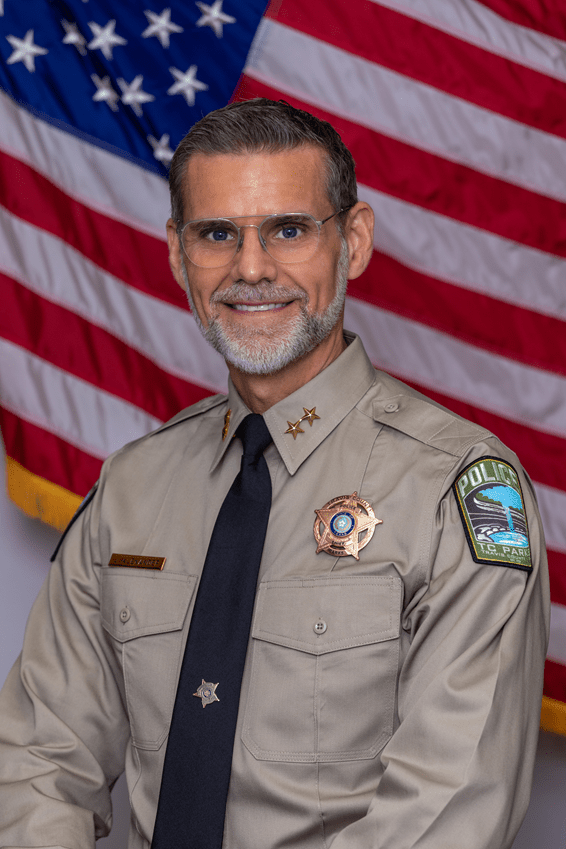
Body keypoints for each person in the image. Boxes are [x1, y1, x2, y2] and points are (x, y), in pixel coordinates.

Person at [0, 98, 549, 849]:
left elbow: (447, 810)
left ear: (352, 242)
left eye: (288, 230)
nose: (250, 268)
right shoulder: (133, 486)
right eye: (217, 233)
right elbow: (39, 755)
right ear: (176, 251)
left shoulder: (457, 488)